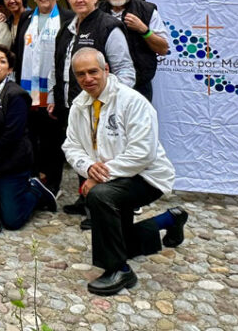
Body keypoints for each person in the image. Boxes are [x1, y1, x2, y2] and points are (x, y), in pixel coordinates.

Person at [62, 48, 185, 296]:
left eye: (93, 71)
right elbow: (71, 145)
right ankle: (169, 220)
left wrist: (99, 177)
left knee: (100, 196)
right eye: (81, 74)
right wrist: (87, 168)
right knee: (122, 243)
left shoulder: (132, 101)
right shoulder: (79, 105)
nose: (87, 79)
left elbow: (143, 153)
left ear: (106, 69)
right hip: (113, 176)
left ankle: (119, 270)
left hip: (146, 176)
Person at [51, 0, 135, 220]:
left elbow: (125, 69)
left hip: (100, 104)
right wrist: (56, 97)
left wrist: (115, 100)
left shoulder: (108, 26)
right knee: (80, 149)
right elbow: (57, 66)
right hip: (72, 104)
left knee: (100, 153)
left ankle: (100, 206)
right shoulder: (66, 28)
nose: (79, 0)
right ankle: (85, 197)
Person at [0, 44, 57, 230]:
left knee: (12, 221)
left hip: (10, 164)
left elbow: (12, 134)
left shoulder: (16, 94)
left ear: (10, 69)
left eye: (2, 61)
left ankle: (36, 189)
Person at [12, 0, 75, 196]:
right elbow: (19, 55)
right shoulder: (27, 19)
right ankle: (33, 178)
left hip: (52, 92)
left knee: (52, 140)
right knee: (29, 138)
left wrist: (57, 95)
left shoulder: (68, 19)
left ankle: (52, 183)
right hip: (28, 92)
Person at [99, 0, 169, 101]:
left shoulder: (147, 11)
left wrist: (144, 30)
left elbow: (163, 49)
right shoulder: (96, 12)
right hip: (102, 86)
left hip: (139, 87)